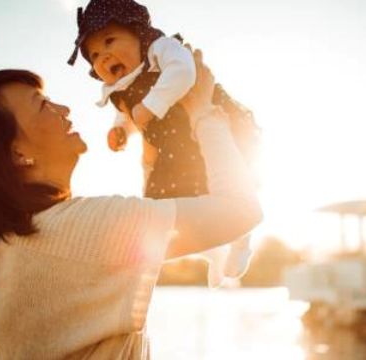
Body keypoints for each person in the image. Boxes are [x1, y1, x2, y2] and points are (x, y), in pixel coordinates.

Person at [0, 49, 262, 359]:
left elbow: (140, 232)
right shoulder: (74, 230)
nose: (63, 109)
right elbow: (241, 210)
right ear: (18, 154)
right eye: (42, 105)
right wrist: (204, 112)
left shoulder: (21, 245)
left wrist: (152, 152)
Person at [67, 0, 260, 287]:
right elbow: (130, 115)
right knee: (168, 207)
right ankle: (212, 252)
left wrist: (152, 105)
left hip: (213, 122)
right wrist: (121, 131)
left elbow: (184, 72)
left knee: (235, 180)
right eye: (94, 54)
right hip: (175, 147)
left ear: (138, 33)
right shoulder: (120, 87)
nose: (104, 55)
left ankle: (241, 242)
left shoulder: (160, 48)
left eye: (109, 40)